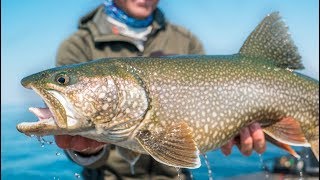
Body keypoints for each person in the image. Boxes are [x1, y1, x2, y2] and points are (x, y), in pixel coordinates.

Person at [54, 0, 266, 179]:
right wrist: (86, 149)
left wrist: (231, 130)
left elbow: (209, 118)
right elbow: (76, 143)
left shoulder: (186, 40)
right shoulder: (78, 47)